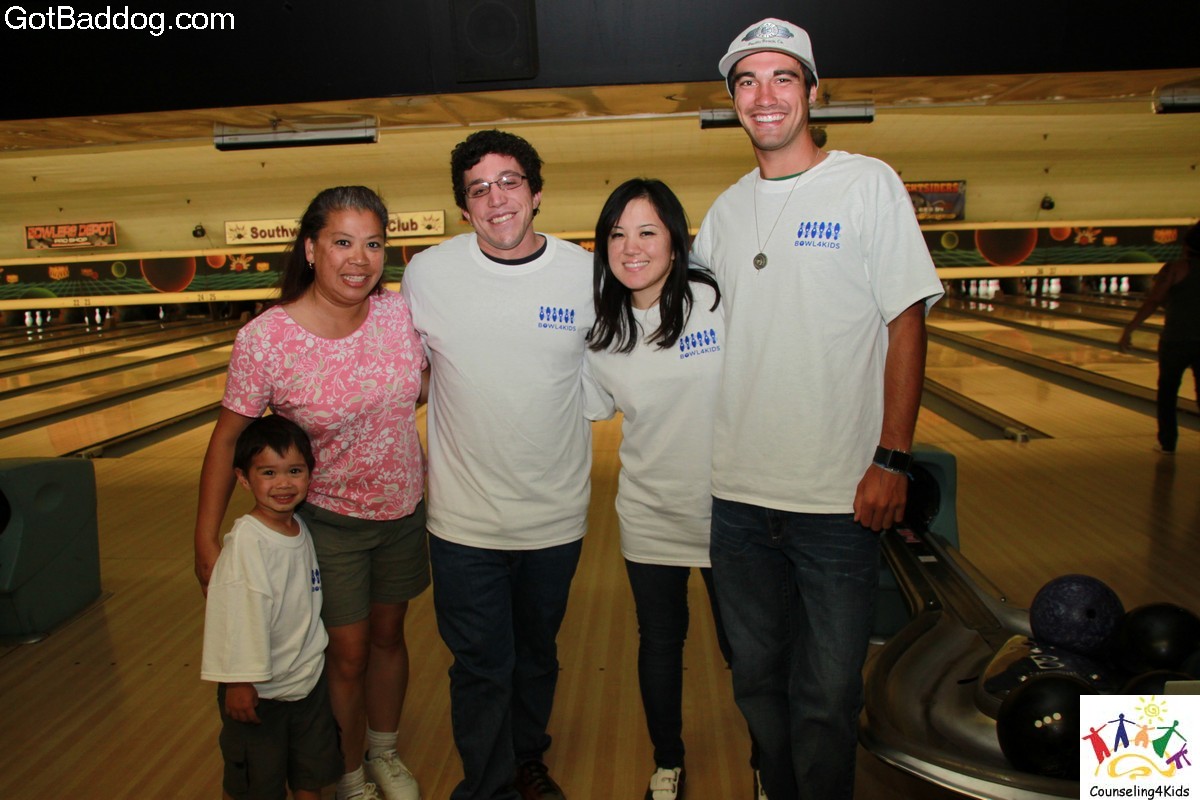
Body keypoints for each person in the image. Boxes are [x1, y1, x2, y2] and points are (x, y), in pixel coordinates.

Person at [690, 18, 944, 800]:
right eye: (747, 81)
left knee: (828, 696)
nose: (764, 95)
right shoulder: (724, 212)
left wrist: (892, 457)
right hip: (738, 500)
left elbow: (907, 319)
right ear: (734, 99)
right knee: (756, 681)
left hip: (838, 498)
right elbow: (692, 341)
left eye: (782, 77)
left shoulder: (867, 184)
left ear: (811, 90)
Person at [194, 186, 429, 800]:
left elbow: (428, 385)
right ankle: (348, 773)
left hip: (404, 510)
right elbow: (227, 439)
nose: (360, 259)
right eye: (342, 242)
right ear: (310, 249)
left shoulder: (397, 315)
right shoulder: (267, 339)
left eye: (373, 244)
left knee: (389, 637)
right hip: (329, 519)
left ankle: (384, 751)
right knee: (347, 653)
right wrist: (205, 538)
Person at [400, 129, 594, 800]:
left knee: (536, 655)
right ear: (464, 207)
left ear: (536, 193)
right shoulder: (428, 273)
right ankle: (488, 788)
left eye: (509, 182)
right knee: (482, 665)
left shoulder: (583, 274)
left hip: (555, 516)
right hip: (463, 521)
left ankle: (525, 758)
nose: (496, 199)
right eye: (478, 189)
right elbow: (406, 371)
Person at [582, 178, 746, 800]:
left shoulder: (715, 301)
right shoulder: (603, 334)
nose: (631, 247)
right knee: (659, 643)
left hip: (731, 513)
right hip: (650, 513)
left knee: (746, 649)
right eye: (617, 234)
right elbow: (587, 406)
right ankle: (667, 762)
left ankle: (769, 758)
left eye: (647, 231)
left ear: (676, 241)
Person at [202, 414, 343, 800]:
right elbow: (233, 617)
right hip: (259, 691)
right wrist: (238, 682)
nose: (283, 483)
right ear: (244, 479)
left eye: (294, 471)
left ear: (310, 474)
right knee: (257, 785)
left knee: (311, 775)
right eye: (268, 473)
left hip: (306, 681)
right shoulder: (247, 543)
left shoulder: (299, 527)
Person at [1118, 222, 1200, 454]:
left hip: (1176, 341)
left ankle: (1167, 443)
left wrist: (1130, 328)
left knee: (1167, 392)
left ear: (1186, 245)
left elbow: (1154, 300)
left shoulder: (1174, 269)